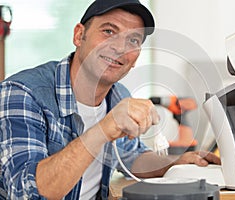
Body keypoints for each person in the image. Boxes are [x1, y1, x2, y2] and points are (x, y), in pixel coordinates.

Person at [0, 0, 221, 199]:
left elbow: (131, 157)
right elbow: (25, 192)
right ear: (79, 35)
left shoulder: (118, 95)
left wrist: (176, 163)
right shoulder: (22, 93)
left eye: (133, 39)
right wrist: (104, 129)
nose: (119, 47)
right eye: (108, 31)